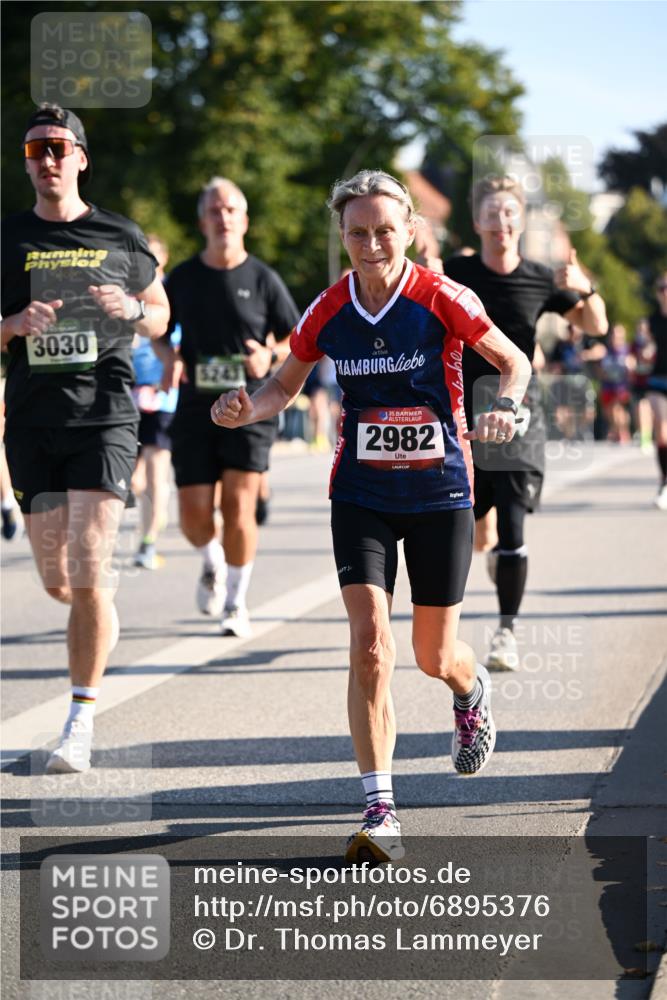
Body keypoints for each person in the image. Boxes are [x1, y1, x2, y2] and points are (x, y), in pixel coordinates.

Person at [211, 169, 531, 863]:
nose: (372, 243)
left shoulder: (441, 295)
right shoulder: (329, 308)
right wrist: (246, 407)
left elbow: (511, 363)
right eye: (357, 232)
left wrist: (505, 405)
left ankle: (468, 689)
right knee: (369, 647)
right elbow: (282, 386)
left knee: (431, 656)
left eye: (385, 229)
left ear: (409, 228)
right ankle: (379, 807)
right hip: (360, 495)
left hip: (441, 493)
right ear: (343, 236)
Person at [0, 103, 169, 773]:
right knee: (58, 581)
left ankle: (79, 722)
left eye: (58, 147)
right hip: (34, 422)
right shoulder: (7, 238)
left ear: (81, 158)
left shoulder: (119, 235)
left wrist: (127, 308)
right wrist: (12, 323)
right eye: (34, 149)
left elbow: (159, 315)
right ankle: (92, 610)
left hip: (105, 415)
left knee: (91, 567)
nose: (46, 159)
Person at [445, 176, 607, 670]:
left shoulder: (539, 276)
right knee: (476, 534)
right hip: (463, 415)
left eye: (510, 214)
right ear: (478, 222)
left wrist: (587, 288)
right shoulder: (455, 273)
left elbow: (596, 324)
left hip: (518, 414)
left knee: (512, 525)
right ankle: (494, 554)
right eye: (492, 214)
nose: (501, 223)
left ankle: (505, 634)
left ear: (520, 221)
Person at [156, 177, 300, 636]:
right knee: (193, 517)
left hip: (250, 406)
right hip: (196, 409)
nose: (223, 218)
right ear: (203, 221)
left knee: (239, 506)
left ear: (245, 220)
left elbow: (299, 338)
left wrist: (270, 355)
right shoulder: (182, 278)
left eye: (231, 210)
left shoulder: (262, 278)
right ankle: (211, 560)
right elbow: (159, 331)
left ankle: (236, 602)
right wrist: (169, 359)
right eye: (214, 211)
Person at [131, 234, 181, 569]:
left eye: (153, 256)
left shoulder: (171, 295)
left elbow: (176, 341)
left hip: (162, 395)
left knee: (154, 471)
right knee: (131, 479)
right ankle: (156, 510)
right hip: (128, 393)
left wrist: (166, 373)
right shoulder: (126, 294)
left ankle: (147, 542)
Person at [647, 271, 667, 509]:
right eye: (661, 287)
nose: (665, 291)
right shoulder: (651, 320)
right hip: (657, 378)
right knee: (662, 433)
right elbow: (646, 346)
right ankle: (664, 481)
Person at [599, 323, 632, 444]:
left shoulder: (627, 350)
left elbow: (631, 367)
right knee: (610, 412)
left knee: (617, 409)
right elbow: (601, 370)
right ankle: (617, 430)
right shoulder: (606, 351)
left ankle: (622, 432)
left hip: (621, 386)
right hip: (608, 386)